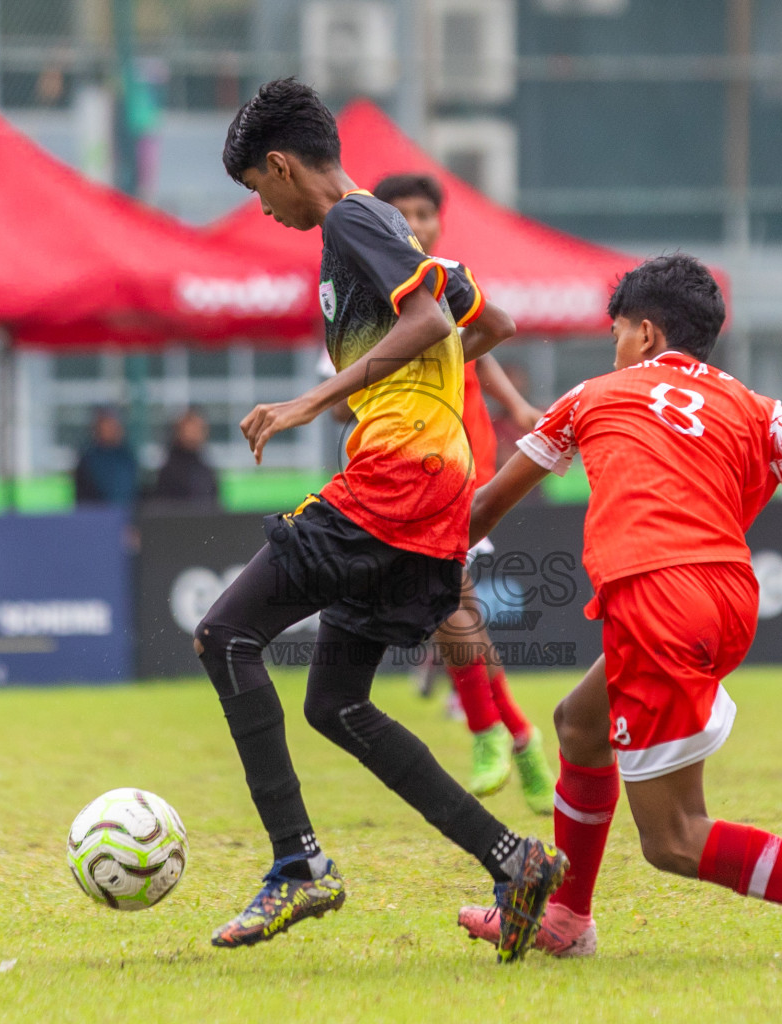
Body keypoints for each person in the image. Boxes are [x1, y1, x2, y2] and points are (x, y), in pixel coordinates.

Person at [458, 253, 782, 958]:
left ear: (649, 336)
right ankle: (567, 919)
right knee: (578, 724)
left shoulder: (593, 395)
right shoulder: (762, 411)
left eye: (619, 333)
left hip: (657, 597)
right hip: (728, 598)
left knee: (673, 839)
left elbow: (485, 508)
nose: (615, 347)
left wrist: (403, 557)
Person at [196, 78, 563, 961]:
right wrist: (408, 379)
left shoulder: (352, 222)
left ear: (282, 166)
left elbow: (434, 315)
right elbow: (491, 320)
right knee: (336, 703)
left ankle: (296, 865)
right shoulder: (389, 230)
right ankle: (511, 860)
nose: (265, 208)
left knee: (225, 636)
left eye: (257, 190)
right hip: (433, 497)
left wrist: (318, 396)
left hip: (393, 484)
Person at [370, 171, 556, 814]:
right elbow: (344, 398)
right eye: (403, 214)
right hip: (392, 471)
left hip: (456, 468)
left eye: (425, 213)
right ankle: (521, 736)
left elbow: (483, 348)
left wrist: (516, 407)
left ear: (439, 223)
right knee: (444, 613)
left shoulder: (446, 281)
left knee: (450, 601)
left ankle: (487, 734)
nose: (416, 225)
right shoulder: (366, 293)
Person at [73, 407, 139, 507]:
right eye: (106, 425)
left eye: (113, 425)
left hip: (125, 516)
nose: (110, 429)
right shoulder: (89, 459)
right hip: (99, 516)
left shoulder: (127, 456)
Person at [153, 408, 221, 507]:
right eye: (191, 429)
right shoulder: (170, 471)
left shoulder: (206, 470)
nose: (195, 434)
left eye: (198, 430)